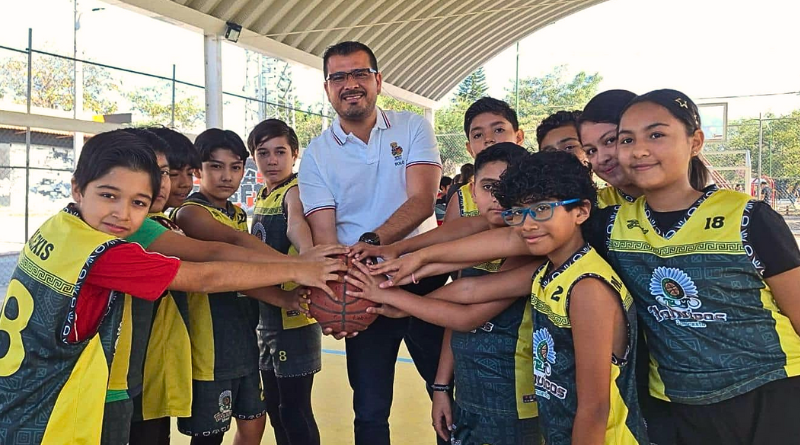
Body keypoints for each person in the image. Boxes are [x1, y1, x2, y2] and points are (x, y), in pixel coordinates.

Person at [0, 130, 346, 445]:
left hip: (22, 390)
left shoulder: (59, 227)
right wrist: (300, 268)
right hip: (64, 401)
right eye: (109, 195)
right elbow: (205, 275)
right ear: (78, 188)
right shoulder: (107, 252)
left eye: (138, 202)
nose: (121, 214)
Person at [363, 151, 648, 444]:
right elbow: (467, 289)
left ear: (581, 211)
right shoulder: (549, 271)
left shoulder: (586, 288)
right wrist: (396, 292)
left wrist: (399, 287)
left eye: (542, 209)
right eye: (519, 213)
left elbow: (595, 407)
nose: (527, 225)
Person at [601, 89, 800, 444]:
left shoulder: (750, 217)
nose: (639, 149)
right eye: (627, 139)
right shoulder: (610, 226)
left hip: (771, 393)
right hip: (676, 405)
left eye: (656, 134)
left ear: (695, 142)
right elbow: (528, 242)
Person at [298, 40, 446, 445]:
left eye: (360, 73)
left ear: (378, 81)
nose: (351, 84)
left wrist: (373, 242)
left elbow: (422, 200)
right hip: (361, 287)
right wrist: (335, 293)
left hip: (423, 275)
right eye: (339, 76)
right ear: (327, 88)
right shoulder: (315, 155)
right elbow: (325, 237)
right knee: (369, 409)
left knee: (451, 394)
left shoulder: (412, 126)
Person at [248, 119, 321, 445]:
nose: (272, 160)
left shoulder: (295, 191)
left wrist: (308, 255)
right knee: (276, 409)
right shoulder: (263, 194)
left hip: (294, 319)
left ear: (294, 154)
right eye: (263, 153)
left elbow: (295, 225)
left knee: (294, 409)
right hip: (266, 318)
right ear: (254, 157)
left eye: (280, 152)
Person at [445, 97, 525, 221]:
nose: (488, 139)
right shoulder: (462, 198)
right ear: (469, 148)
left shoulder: (542, 185)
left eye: (498, 130)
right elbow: (449, 234)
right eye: (478, 135)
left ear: (519, 137)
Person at [578, 90, 643, 208]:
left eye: (610, 140)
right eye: (591, 151)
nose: (602, 159)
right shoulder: (592, 208)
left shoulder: (683, 196)